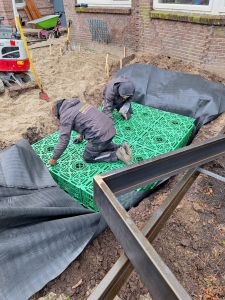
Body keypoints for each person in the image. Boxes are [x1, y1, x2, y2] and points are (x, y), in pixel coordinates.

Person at [49, 98, 132, 166]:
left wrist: (54, 158)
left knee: (88, 157)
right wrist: (81, 137)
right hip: (110, 128)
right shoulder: (79, 104)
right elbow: (85, 122)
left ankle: (116, 155)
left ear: (58, 113)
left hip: (100, 135)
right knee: (99, 146)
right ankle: (121, 147)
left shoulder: (65, 116)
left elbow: (63, 141)